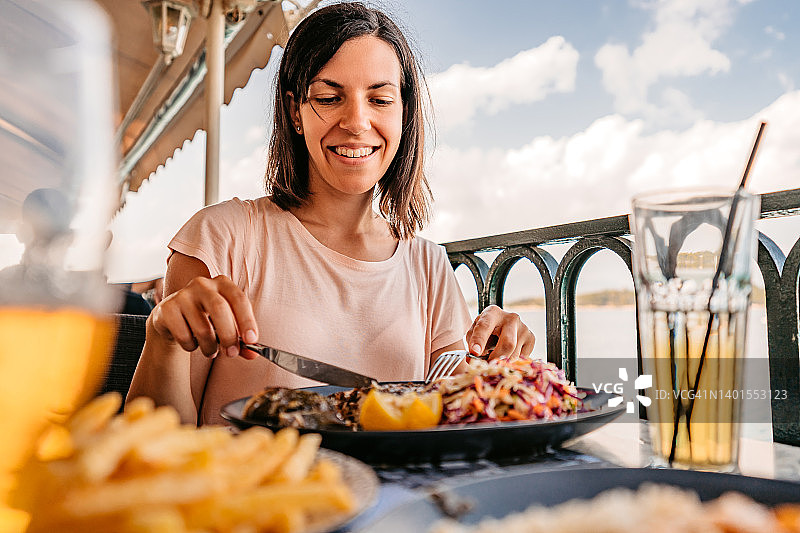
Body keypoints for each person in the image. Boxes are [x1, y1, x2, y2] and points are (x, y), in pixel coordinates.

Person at [127, 2, 535, 425]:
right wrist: (163, 340)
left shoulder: (428, 265)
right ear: (295, 112)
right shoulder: (221, 238)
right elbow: (154, 441)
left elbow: (451, 399)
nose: (357, 121)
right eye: (328, 97)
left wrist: (494, 358)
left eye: (380, 99)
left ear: (403, 114)